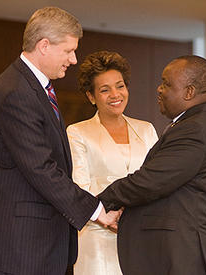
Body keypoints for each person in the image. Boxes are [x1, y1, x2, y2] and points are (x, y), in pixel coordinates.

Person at [0, 7, 120, 275]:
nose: (74, 59)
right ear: (44, 46)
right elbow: (41, 169)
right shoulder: (16, 93)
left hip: (35, 245)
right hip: (22, 248)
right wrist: (97, 210)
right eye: (68, 51)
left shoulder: (32, 88)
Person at [98, 55, 206, 275]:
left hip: (185, 257)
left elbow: (150, 182)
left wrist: (100, 202)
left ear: (189, 92)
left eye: (166, 84)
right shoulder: (192, 123)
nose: (159, 89)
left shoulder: (194, 129)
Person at [66, 50, 158, 275]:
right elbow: (80, 188)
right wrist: (109, 216)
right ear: (91, 96)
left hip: (142, 236)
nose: (115, 94)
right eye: (104, 90)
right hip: (97, 238)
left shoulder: (146, 130)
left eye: (120, 86)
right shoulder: (77, 133)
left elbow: (158, 180)